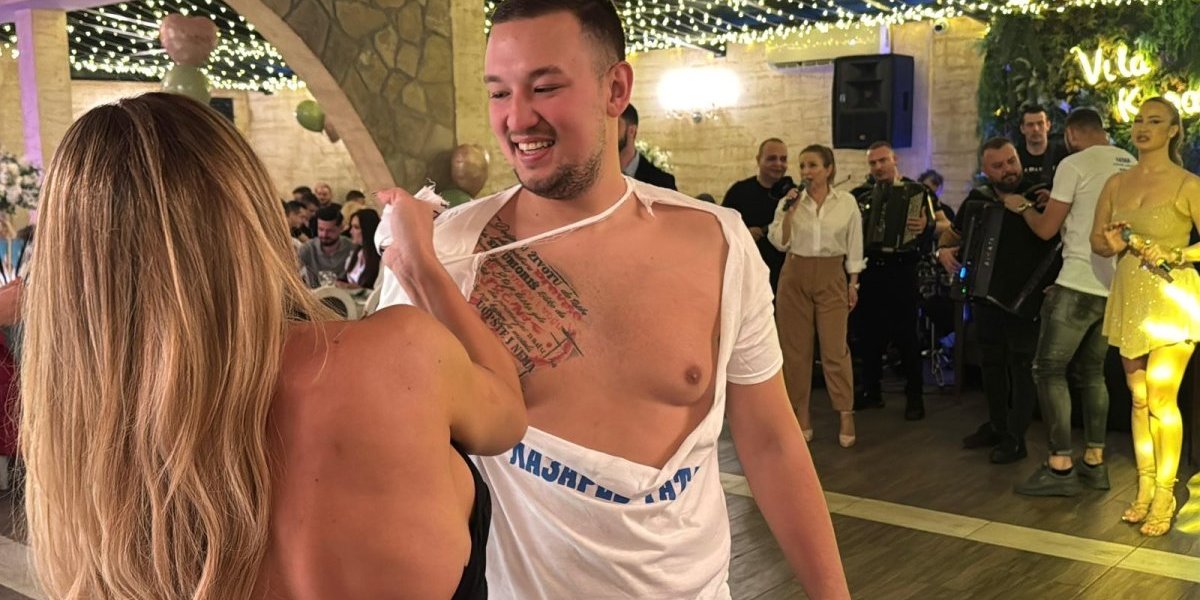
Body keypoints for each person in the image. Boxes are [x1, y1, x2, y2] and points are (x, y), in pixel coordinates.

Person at [376, 1, 849, 597]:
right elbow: (387, 470)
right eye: (498, 93)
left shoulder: (717, 241)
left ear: (616, 89)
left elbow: (772, 441)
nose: (517, 118)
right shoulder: (442, 256)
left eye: (545, 87)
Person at [19, 92, 526, 598]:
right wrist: (420, 266)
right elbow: (507, 414)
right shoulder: (401, 355)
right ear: (251, 213)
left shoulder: (86, 477)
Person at [1003, 107, 1135, 497]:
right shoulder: (1130, 162)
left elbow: (1046, 230)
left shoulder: (1073, 163)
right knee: (1092, 373)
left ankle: (1060, 466)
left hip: (1077, 282)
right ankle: (1095, 462)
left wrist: (1022, 206)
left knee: (1048, 369)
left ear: (1072, 134)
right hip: (1114, 287)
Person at [1090, 97, 1200, 536]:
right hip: (1130, 296)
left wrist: (1177, 253)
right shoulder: (1116, 183)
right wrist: (1112, 245)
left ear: (1172, 131)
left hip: (1173, 298)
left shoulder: (1188, 183)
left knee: (1160, 398)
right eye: (1138, 119)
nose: (1143, 127)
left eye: (1154, 120)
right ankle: (1145, 486)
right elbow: (1097, 241)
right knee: (1138, 399)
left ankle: (1165, 493)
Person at [938, 138, 1054, 464]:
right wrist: (943, 251)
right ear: (986, 171)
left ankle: (1016, 437)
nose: (1008, 170)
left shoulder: (1041, 195)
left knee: (1021, 366)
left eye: (1011, 161)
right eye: (999, 166)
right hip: (986, 296)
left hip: (1026, 298)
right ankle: (997, 425)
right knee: (990, 362)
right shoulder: (978, 199)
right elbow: (952, 235)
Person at [768, 144, 862, 446]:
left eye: (812, 165)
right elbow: (779, 242)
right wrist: (790, 212)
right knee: (795, 351)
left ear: (828, 169)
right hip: (795, 273)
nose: (806, 172)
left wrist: (853, 283)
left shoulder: (845, 202)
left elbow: (855, 244)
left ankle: (845, 412)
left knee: (835, 349)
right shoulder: (790, 201)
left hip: (832, 274)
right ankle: (801, 413)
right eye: (802, 166)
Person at [850, 141, 949, 420]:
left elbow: (944, 224)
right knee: (869, 333)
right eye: (873, 163)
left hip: (903, 268)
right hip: (870, 268)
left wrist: (926, 225)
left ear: (894, 160)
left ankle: (914, 396)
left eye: (883, 160)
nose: (878, 167)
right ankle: (871, 390)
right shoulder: (860, 194)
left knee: (906, 334)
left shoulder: (917, 191)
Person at [722, 138, 791, 294]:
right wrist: (744, 233)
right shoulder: (739, 191)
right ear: (758, 160)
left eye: (783, 159)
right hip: (748, 275)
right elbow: (723, 229)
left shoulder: (793, 194)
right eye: (772, 158)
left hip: (784, 277)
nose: (778, 164)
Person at [618, 104, 677, 190]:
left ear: (631, 131)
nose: (608, 133)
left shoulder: (662, 183)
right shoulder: (599, 176)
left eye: (615, 126)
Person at [338, 208, 382, 290]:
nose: (351, 231)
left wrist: (354, 288)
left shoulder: (380, 260)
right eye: (351, 226)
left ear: (368, 229)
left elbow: (377, 291)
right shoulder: (358, 253)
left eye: (356, 227)